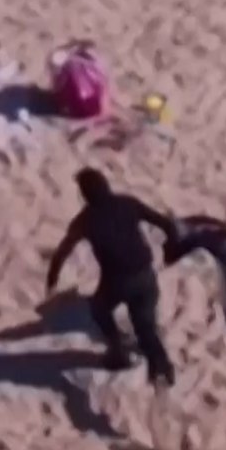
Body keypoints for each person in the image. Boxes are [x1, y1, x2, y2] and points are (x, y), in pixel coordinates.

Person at [45, 167, 179, 390]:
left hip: (116, 282)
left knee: (99, 308)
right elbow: (165, 223)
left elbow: (63, 250)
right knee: (145, 327)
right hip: (145, 276)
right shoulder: (128, 204)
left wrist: (53, 275)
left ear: (85, 194)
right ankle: (162, 368)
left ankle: (117, 353)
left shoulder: (85, 220)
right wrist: (171, 248)